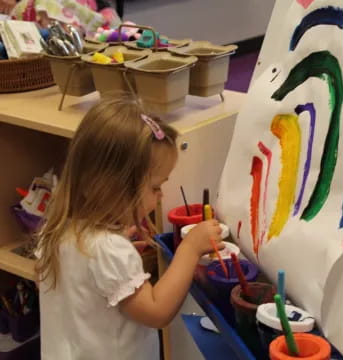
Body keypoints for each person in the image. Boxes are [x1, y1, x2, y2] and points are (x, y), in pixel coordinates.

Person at [35, 95, 224, 359]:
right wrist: (190, 250)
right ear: (111, 187)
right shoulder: (108, 250)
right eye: (155, 186)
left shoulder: (54, 230)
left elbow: (71, 286)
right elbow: (157, 311)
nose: (160, 195)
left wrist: (115, 263)